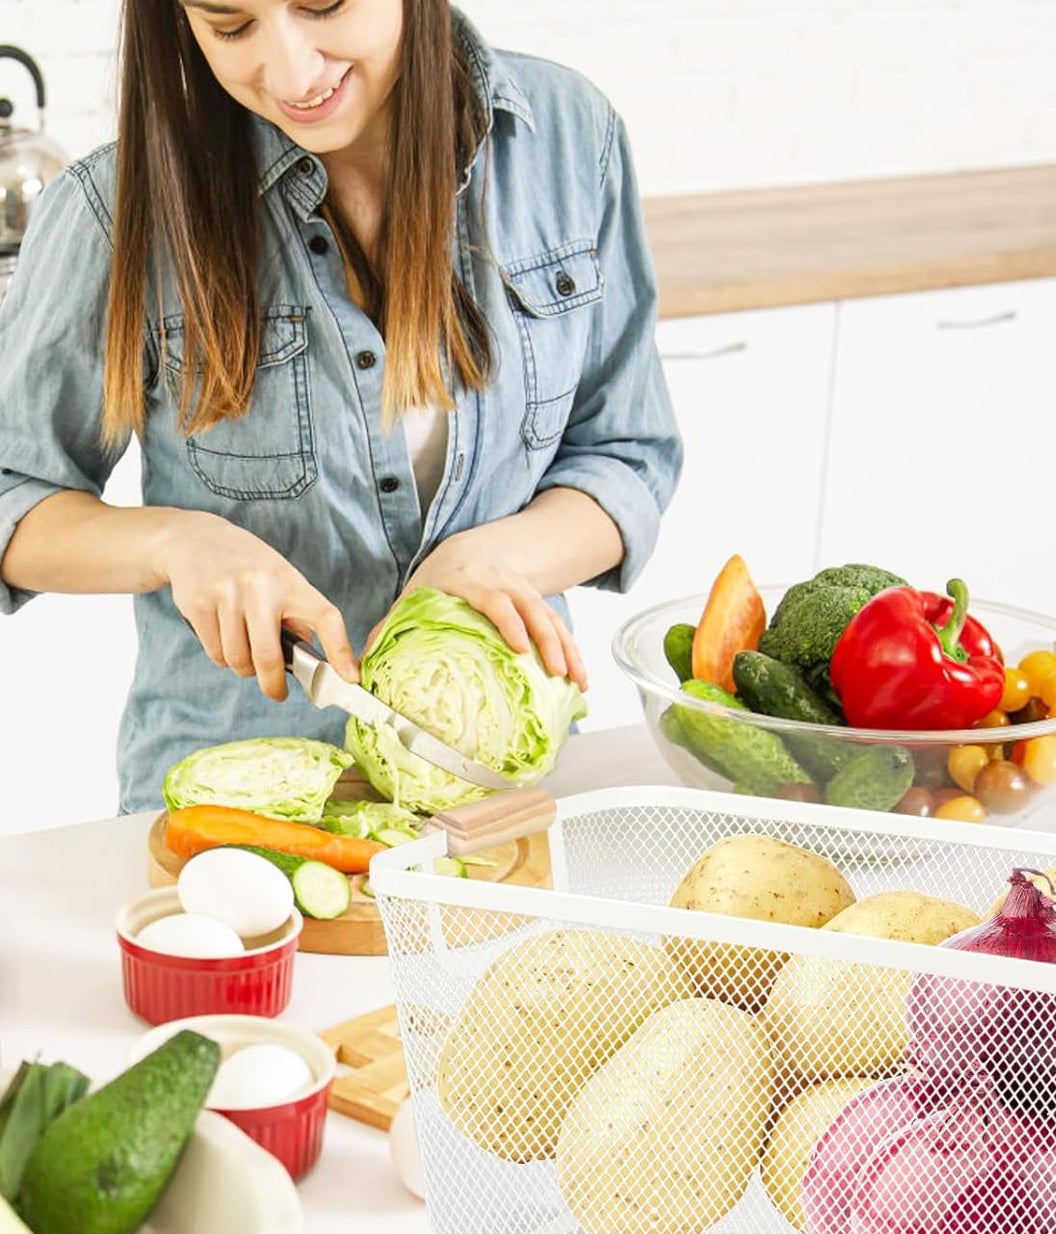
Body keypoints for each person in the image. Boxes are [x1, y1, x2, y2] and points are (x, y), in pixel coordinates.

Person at [0, 0, 681, 813]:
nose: (292, 74)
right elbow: (12, 489)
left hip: (498, 791)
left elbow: (626, 453)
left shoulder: (563, 137)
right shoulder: (118, 208)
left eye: (322, 5)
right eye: (230, 27)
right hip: (238, 800)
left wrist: (495, 559)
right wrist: (176, 544)